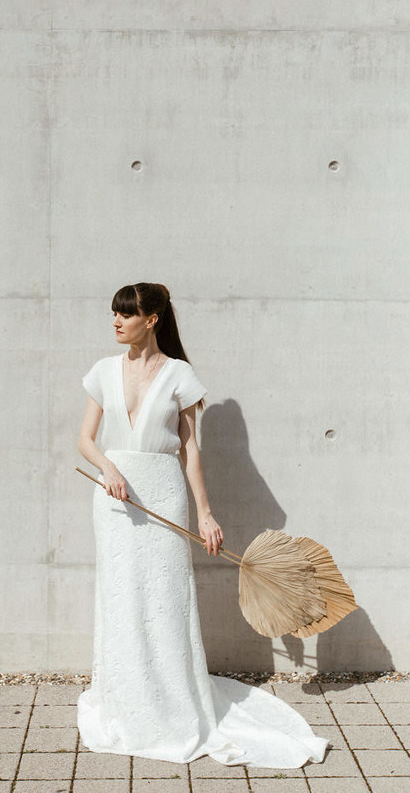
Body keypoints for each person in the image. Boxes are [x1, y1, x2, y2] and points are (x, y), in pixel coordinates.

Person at [77, 282, 328, 767]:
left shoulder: (179, 375)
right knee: (121, 595)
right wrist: (109, 470)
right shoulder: (103, 371)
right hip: (113, 497)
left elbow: (191, 452)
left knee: (164, 599)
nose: (115, 321)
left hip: (164, 496)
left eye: (125, 314)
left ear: (152, 319)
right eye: (113, 313)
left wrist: (207, 513)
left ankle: (170, 700)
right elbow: (85, 440)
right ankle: (125, 697)